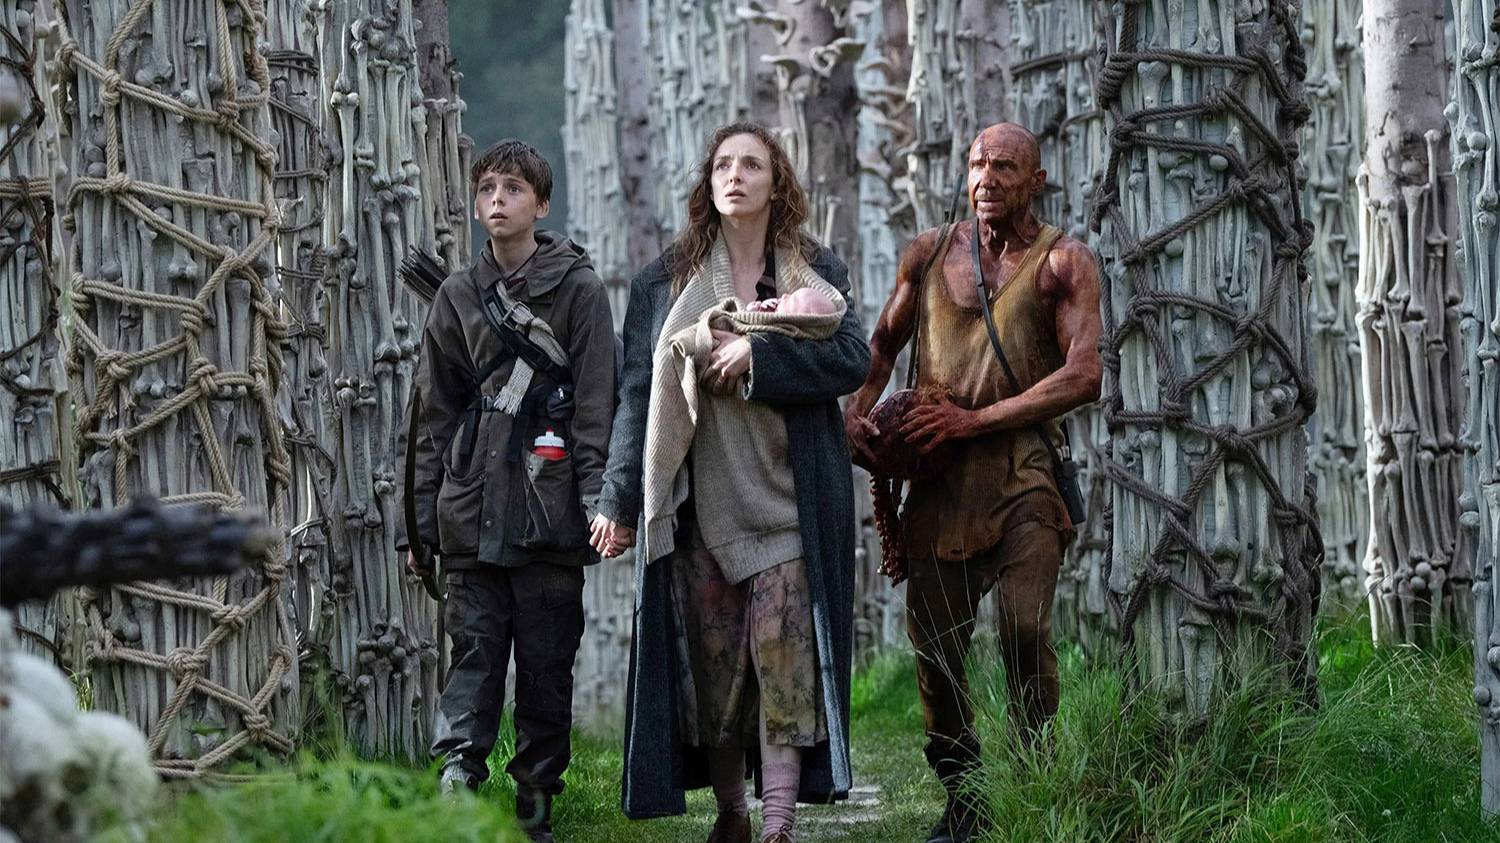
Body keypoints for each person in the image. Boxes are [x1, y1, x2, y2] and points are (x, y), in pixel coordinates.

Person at [591, 122, 870, 843]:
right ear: (708, 183)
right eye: (723, 165)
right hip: (699, 512)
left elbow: (853, 360)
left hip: (790, 506)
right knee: (714, 677)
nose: (735, 175)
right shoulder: (664, 282)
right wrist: (619, 499)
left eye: (751, 164)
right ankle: (733, 814)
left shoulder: (814, 273)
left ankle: (777, 823)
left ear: (777, 184)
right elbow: (636, 395)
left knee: (785, 662)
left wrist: (759, 356)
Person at [843, 123, 1103, 843]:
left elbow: (1084, 374)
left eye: (1005, 167)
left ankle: (1035, 781)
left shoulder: (1065, 263)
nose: (987, 178)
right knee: (936, 648)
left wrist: (975, 420)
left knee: (1024, 625)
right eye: (978, 164)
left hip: (1025, 478)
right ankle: (966, 798)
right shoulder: (928, 254)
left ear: (1036, 181)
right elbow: (882, 345)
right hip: (940, 484)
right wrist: (857, 416)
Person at [394, 139, 617, 843]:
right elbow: (430, 415)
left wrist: (599, 503)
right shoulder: (457, 295)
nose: (498, 199)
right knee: (472, 657)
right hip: (470, 506)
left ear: (541, 204)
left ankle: (535, 806)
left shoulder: (579, 290)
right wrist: (417, 526)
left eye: (514, 188)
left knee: (547, 668)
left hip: (551, 508)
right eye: (488, 187)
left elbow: (596, 406)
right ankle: (457, 789)